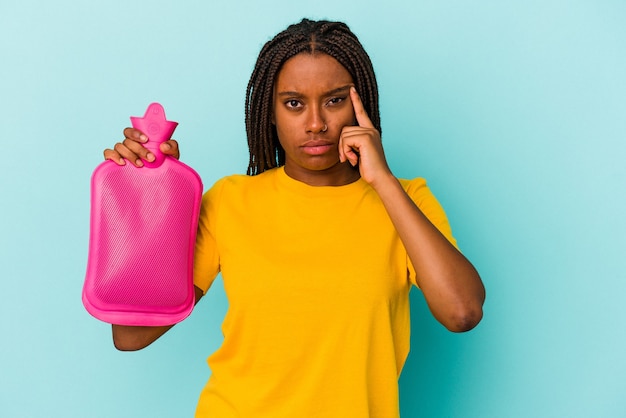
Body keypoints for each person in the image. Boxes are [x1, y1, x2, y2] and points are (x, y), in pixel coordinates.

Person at [104, 18, 485, 418]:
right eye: (294, 103)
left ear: (361, 107)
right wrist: (151, 199)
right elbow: (132, 334)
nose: (316, 123)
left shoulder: (406, 201)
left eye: (335, 100)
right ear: (270, 112)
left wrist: (384, 182)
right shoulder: (232, 202)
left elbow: (462, 312)